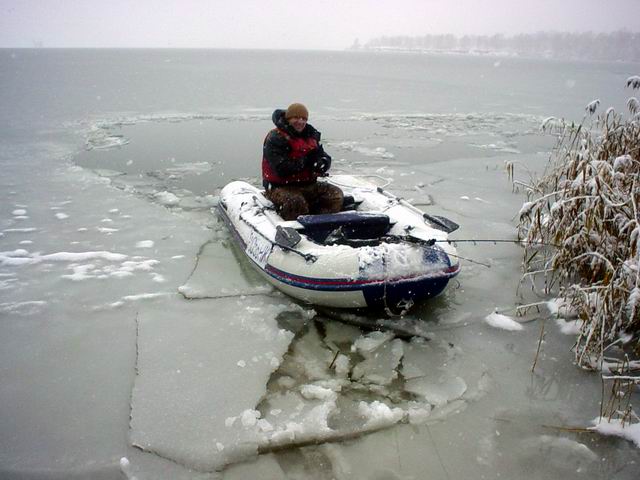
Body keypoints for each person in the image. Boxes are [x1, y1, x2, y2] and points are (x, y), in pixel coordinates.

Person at [262, 103, 343, 221]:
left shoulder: (310, 135)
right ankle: (297, 227)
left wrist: (323, 163)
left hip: (308, 185)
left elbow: (323, 156)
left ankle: (323, 223)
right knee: (295, 202)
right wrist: (307, 162)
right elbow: (281, 168)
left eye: (304, 119)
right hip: (280, 187)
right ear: (288, 119)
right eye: (296, 118)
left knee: (335, 195)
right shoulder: (276, 138)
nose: (300, 122)